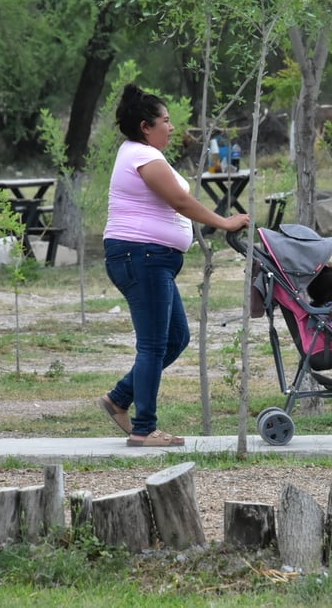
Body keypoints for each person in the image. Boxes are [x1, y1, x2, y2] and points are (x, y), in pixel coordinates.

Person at [97, 84, 250, 447]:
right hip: (142, 256)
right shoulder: (142, 157)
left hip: (150, 259)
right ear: (145, 126)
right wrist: (225, 222)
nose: (171, 127)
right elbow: (181, 201)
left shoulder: (139, 153)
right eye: (165, 121)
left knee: (176, 337)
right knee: (152, 344)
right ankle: (144, 428)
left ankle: (119, 398)